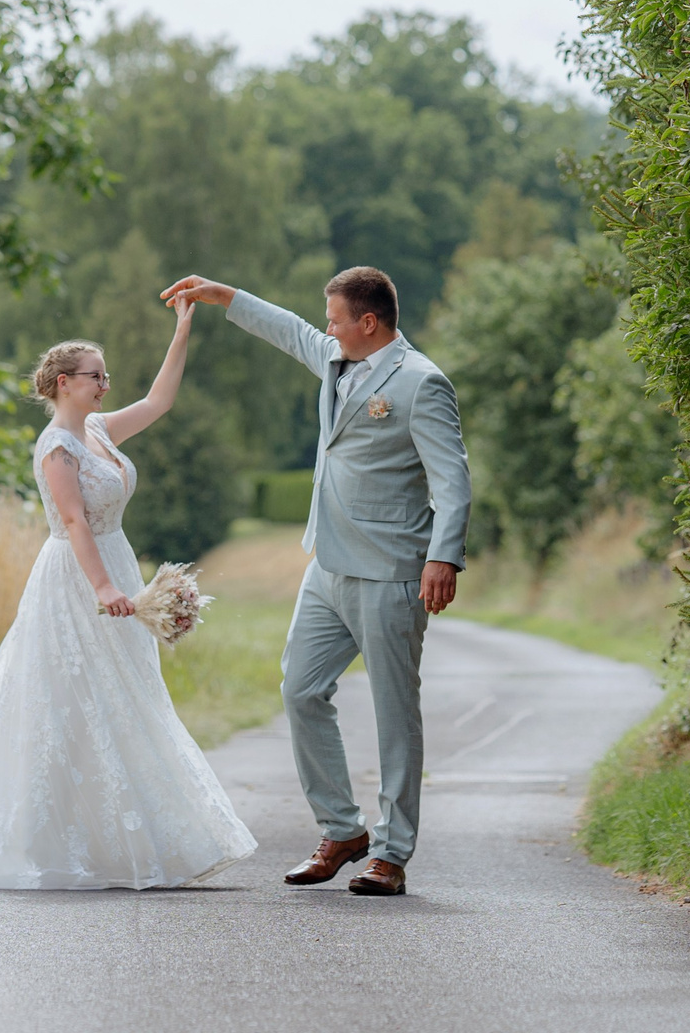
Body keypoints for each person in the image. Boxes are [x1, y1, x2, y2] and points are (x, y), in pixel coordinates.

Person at [0, 297, 257, 889]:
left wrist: (183, 329)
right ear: (64, 383)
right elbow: (75, 520)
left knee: (129, 694)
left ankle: (130, 838)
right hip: (78, 577)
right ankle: (57, 841)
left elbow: (160, 401)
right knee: (73, 697)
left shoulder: (100, 430)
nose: (105, 384)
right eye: (95, 376)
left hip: (117, 563)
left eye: (106, 376)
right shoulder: (57, 445)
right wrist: (103, 587)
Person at [160, 266, 470, 896]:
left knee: (394, 714)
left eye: (336, 320)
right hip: (326, 567)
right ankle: (342, 828)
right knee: (301, 690)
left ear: (369, 323)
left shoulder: (421, 383)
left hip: (390, 572)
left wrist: (444, 556)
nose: (325, 330)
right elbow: (291, 330)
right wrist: (225, 298)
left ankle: (391, 853)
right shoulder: (335, 358)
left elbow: (452, 480)